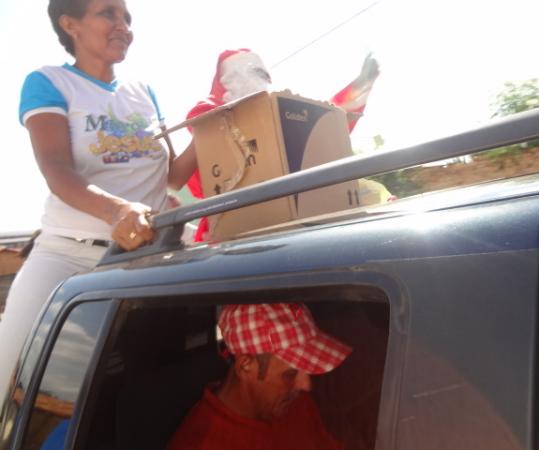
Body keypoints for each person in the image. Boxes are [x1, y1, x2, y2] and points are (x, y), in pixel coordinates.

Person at [0, 0, 197, 404]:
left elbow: (171, 176)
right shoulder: (49, 81)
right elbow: (56, 170)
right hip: (67, 255)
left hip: (145, 257)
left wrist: (214, 121)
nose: (122, 25)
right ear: (70, 24)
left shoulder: (144, 92)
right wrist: (117, 211)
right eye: (108, 13)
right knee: (9, 372)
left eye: (127, 17)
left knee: (150, 387)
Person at [184, 48, 381, 241]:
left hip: (299, 227)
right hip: (235, 239)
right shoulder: (210, 127)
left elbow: (323, 125)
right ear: (226, 81)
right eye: (246, 73)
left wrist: (359, 86)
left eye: (260, 73)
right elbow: (201, 184)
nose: (254, 80)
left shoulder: (283, 116)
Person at [168, 303, 352, 450]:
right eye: (290, 374)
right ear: (245, 366)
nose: (306, 385)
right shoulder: (201, 444)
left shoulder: (296, 405)